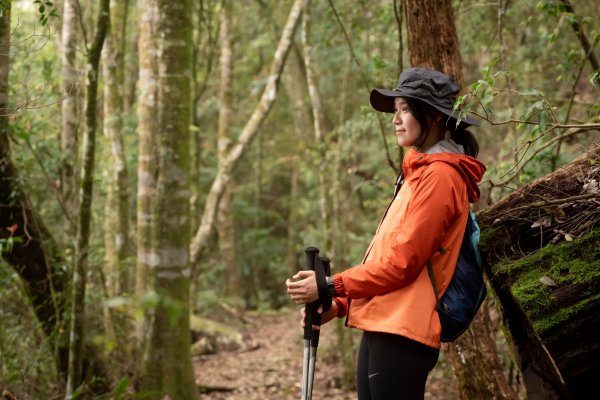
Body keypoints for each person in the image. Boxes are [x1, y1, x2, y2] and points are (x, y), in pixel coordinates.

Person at [285, 67, 486, 399]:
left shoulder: (441, 178)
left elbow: (403, 264)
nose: (395, 119)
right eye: (396, 111)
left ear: (435, 117)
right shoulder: (417, 174)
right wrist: (338, 303)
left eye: (406, 109)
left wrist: (330, 284)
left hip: (404, 330)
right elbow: (385, 259)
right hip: (385, 322)